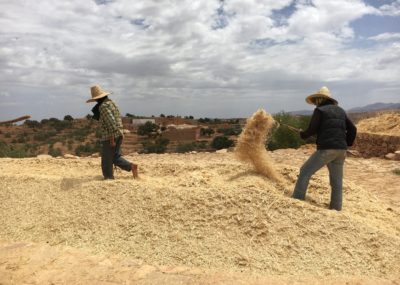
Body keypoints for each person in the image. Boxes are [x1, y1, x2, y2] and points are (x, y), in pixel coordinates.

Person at [292, 86, 357, 211]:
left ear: (320, 99)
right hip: (341, 150)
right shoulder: (341, 111)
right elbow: (353, 129)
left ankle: (297, 201)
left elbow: (311, 129)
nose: (315, 103)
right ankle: (336, 209)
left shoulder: (320, 111)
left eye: (316, 100)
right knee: (337, 181)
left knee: (305, 171)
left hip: (326, 149)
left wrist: (302, 134)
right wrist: (346, 143)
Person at [86, 85, 138, 179]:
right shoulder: (111, 103)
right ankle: (131, 167)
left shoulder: (103, 107)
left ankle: (109, 178)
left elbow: (111, 122)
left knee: (106, 159)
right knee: (114, 157)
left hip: (110, 136)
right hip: (119, 133)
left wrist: (112, 139)